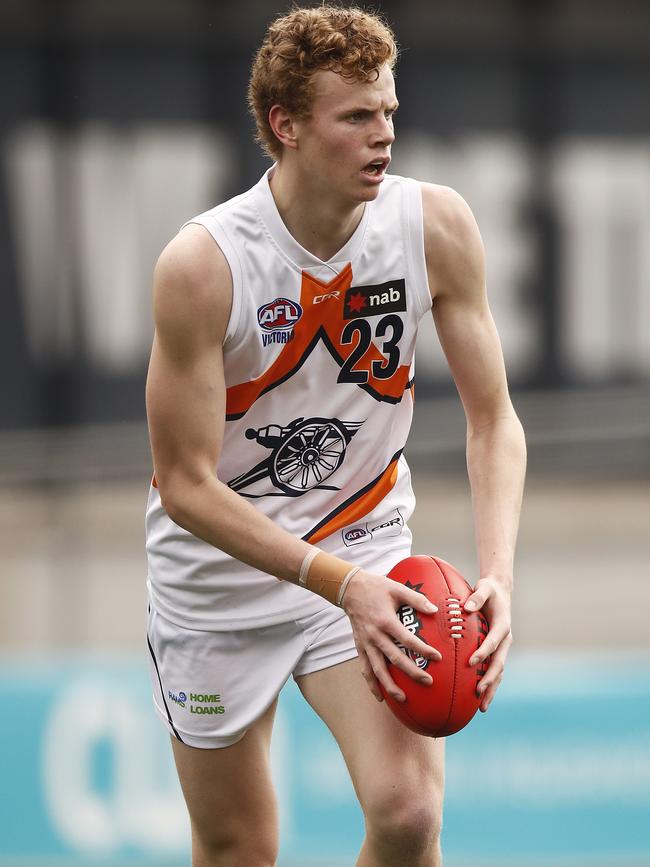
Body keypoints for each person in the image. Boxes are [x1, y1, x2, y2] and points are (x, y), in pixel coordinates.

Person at [144, 6, 526, 867]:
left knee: (408, 814)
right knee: (242, 846)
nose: (383, 134)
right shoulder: (204, 266)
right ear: (285, 126)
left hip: (367, 538)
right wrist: (336, 582)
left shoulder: (434, 226)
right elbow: (184, 483)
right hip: (218, 578)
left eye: (388, 111)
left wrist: (497, 572)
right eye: (355, 116)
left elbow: (494, 419)